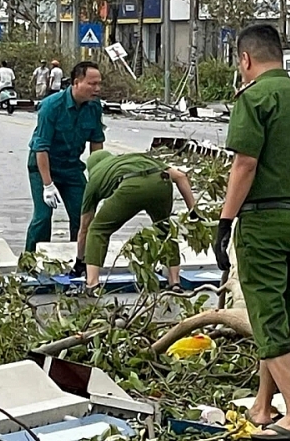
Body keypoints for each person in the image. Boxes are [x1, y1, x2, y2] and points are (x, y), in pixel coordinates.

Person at [213, 24, 290, 441]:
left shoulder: (255, 98)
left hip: (264, 222)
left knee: (265, 316)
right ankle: (264, 405)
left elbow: (245, 165)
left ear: (245, 59)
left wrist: (225, 223)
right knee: (279, 313)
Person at [71, 150, 196, 295]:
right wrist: (193, 211)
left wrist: (80, 261)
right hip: (160, 182)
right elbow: (181, 176)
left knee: (98, 230)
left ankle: (92, 284)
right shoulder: (134, 158)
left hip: (129, 186)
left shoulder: (94, 179)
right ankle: (174, 282)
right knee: (165, 230)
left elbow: (84, 230)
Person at [26, 61, 106, 253]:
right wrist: (47, 185)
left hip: (71, 168)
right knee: (43, 217)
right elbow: (41, 147)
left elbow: (96, 143)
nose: (97, 89)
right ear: (76, 82)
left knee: (83, 215)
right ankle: (29, 263)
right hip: (44, 166)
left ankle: (80, 260)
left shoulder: (94, 107)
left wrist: (98, 177)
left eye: (99, 84)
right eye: (92, 84)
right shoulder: (51, 107)